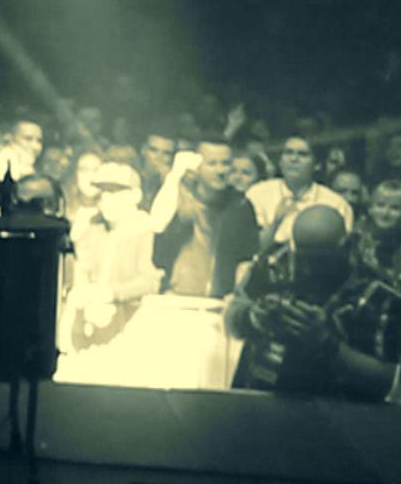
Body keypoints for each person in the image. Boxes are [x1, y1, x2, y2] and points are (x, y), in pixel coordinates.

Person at [227, 206, 401, 400]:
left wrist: (326, 343)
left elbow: (385, 383)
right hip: (259, 393)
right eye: (303, 257)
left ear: (345, 245)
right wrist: (253, 317)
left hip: (336, 406)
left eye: (320, 260)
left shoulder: (378, 292)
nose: (309, 268)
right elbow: (231, 320)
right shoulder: (274, 263)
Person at [62, 163, 161, 351]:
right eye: (102, 193)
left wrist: (111, 294)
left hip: (132, 325)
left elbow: (151, 281)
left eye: (115, 192)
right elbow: (82, 269)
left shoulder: (145, 228)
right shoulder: (93, 227)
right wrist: (85, 294)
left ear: (135, 195)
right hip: (92, 325)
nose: (106, 199)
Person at [150, 142, 259, 299]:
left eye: (226, 163)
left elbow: (246, 258)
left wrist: (236, 294)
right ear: (196, 167)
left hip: (220, 300)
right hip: (174, 296)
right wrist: (181, 221)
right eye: (212, 164)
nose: (220, 171)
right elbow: (156, 254)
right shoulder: (175, 199)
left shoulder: (240, 205)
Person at [245, 137, 353, 249]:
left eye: (302, 154)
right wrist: (276, 222)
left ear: (317, 164)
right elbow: (248, 247)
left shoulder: (336, 204)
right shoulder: (257, 193)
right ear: (280, 161)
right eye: (288, 153)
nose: (294, 159)